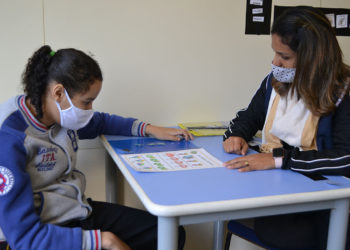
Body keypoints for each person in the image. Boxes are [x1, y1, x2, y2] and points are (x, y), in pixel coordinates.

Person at [0, 45, 193, 250]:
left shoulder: (57, 112)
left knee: (168, 234)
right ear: (58, 92)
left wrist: (149, 129)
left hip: (74, 210)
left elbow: (101, 122)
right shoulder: (10, 137)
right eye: (87, 102)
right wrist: (102, 240)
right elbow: (24, 238)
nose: (89, 110)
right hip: (39, 233)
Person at [222, 6, 350, 250]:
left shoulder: (343, 92)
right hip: (274, 191)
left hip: (319, 205)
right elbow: (249, 116)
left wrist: (279, 159)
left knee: (284, 235)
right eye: (274, 53)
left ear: (315, 57)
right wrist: (237, 134)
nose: (275, 62)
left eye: (285, 57)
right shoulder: (275, 81)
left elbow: (345, 159)